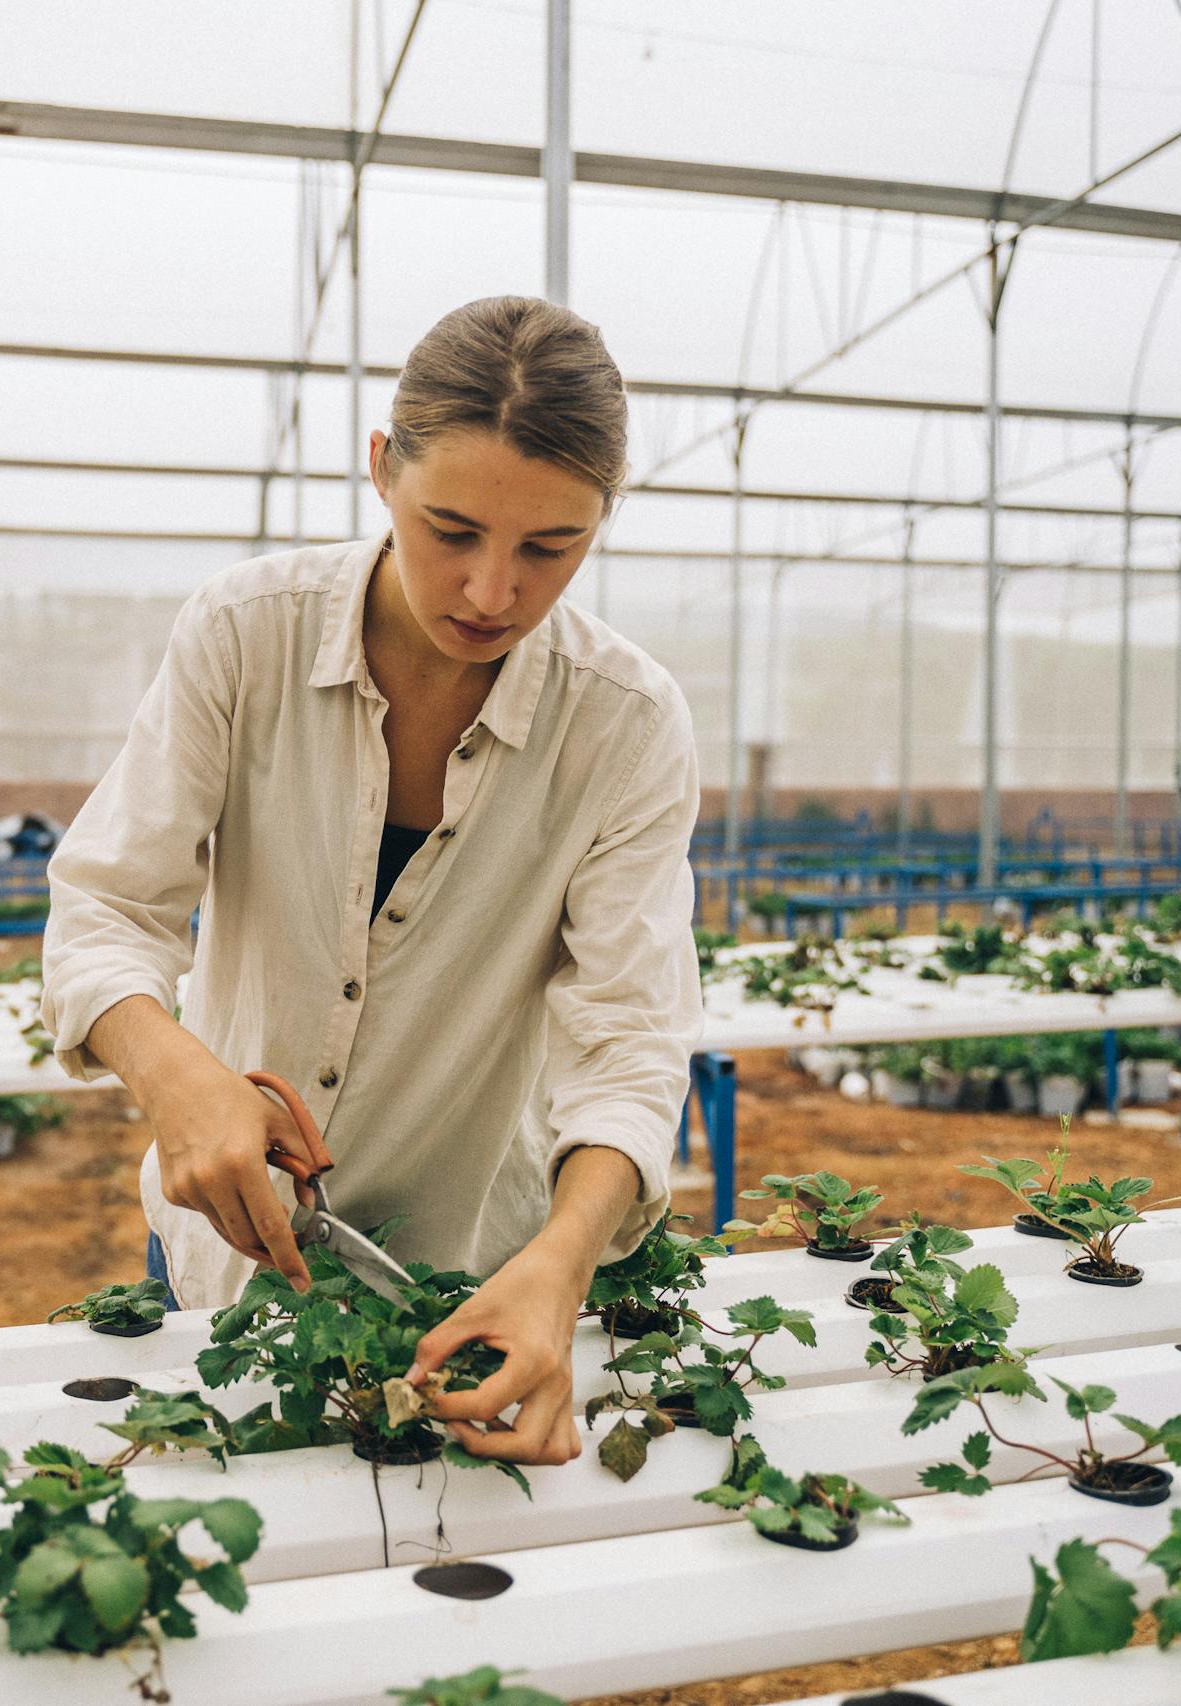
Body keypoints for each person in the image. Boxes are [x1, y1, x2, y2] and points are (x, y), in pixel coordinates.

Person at [38, 296, 702, 1468]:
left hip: (475, 1281)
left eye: (550, 548)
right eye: (451, 529)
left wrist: (558, 1265)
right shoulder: (247, 636)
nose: (492, 592)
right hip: (222, 1254)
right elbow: (107, 902)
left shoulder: (626, 724)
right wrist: (173, 1069)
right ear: (381, 470)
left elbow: (631, 1038)